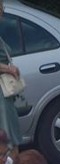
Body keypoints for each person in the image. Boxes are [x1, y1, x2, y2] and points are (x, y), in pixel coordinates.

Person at [0, 1, 22, 151]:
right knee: (8, 134)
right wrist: (8, 69)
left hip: (4, 91)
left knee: (9, 132)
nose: (2, 12)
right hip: (1, 93)